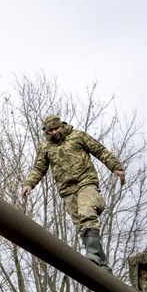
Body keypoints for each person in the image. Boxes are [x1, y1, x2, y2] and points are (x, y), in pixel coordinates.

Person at [22, 114, 125, 271]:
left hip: (86, 182)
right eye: (50, 131)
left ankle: (92, 253)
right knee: (82, 227)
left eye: (56, 129)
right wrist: (29, 184)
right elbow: (39, 167)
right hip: (67, 190)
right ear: (46, 132)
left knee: (87, 212)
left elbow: (99, 150)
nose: (54, 133)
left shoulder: (78, 136)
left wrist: (115, 167)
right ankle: (102, 264)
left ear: (62, 126)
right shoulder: (46, 148)